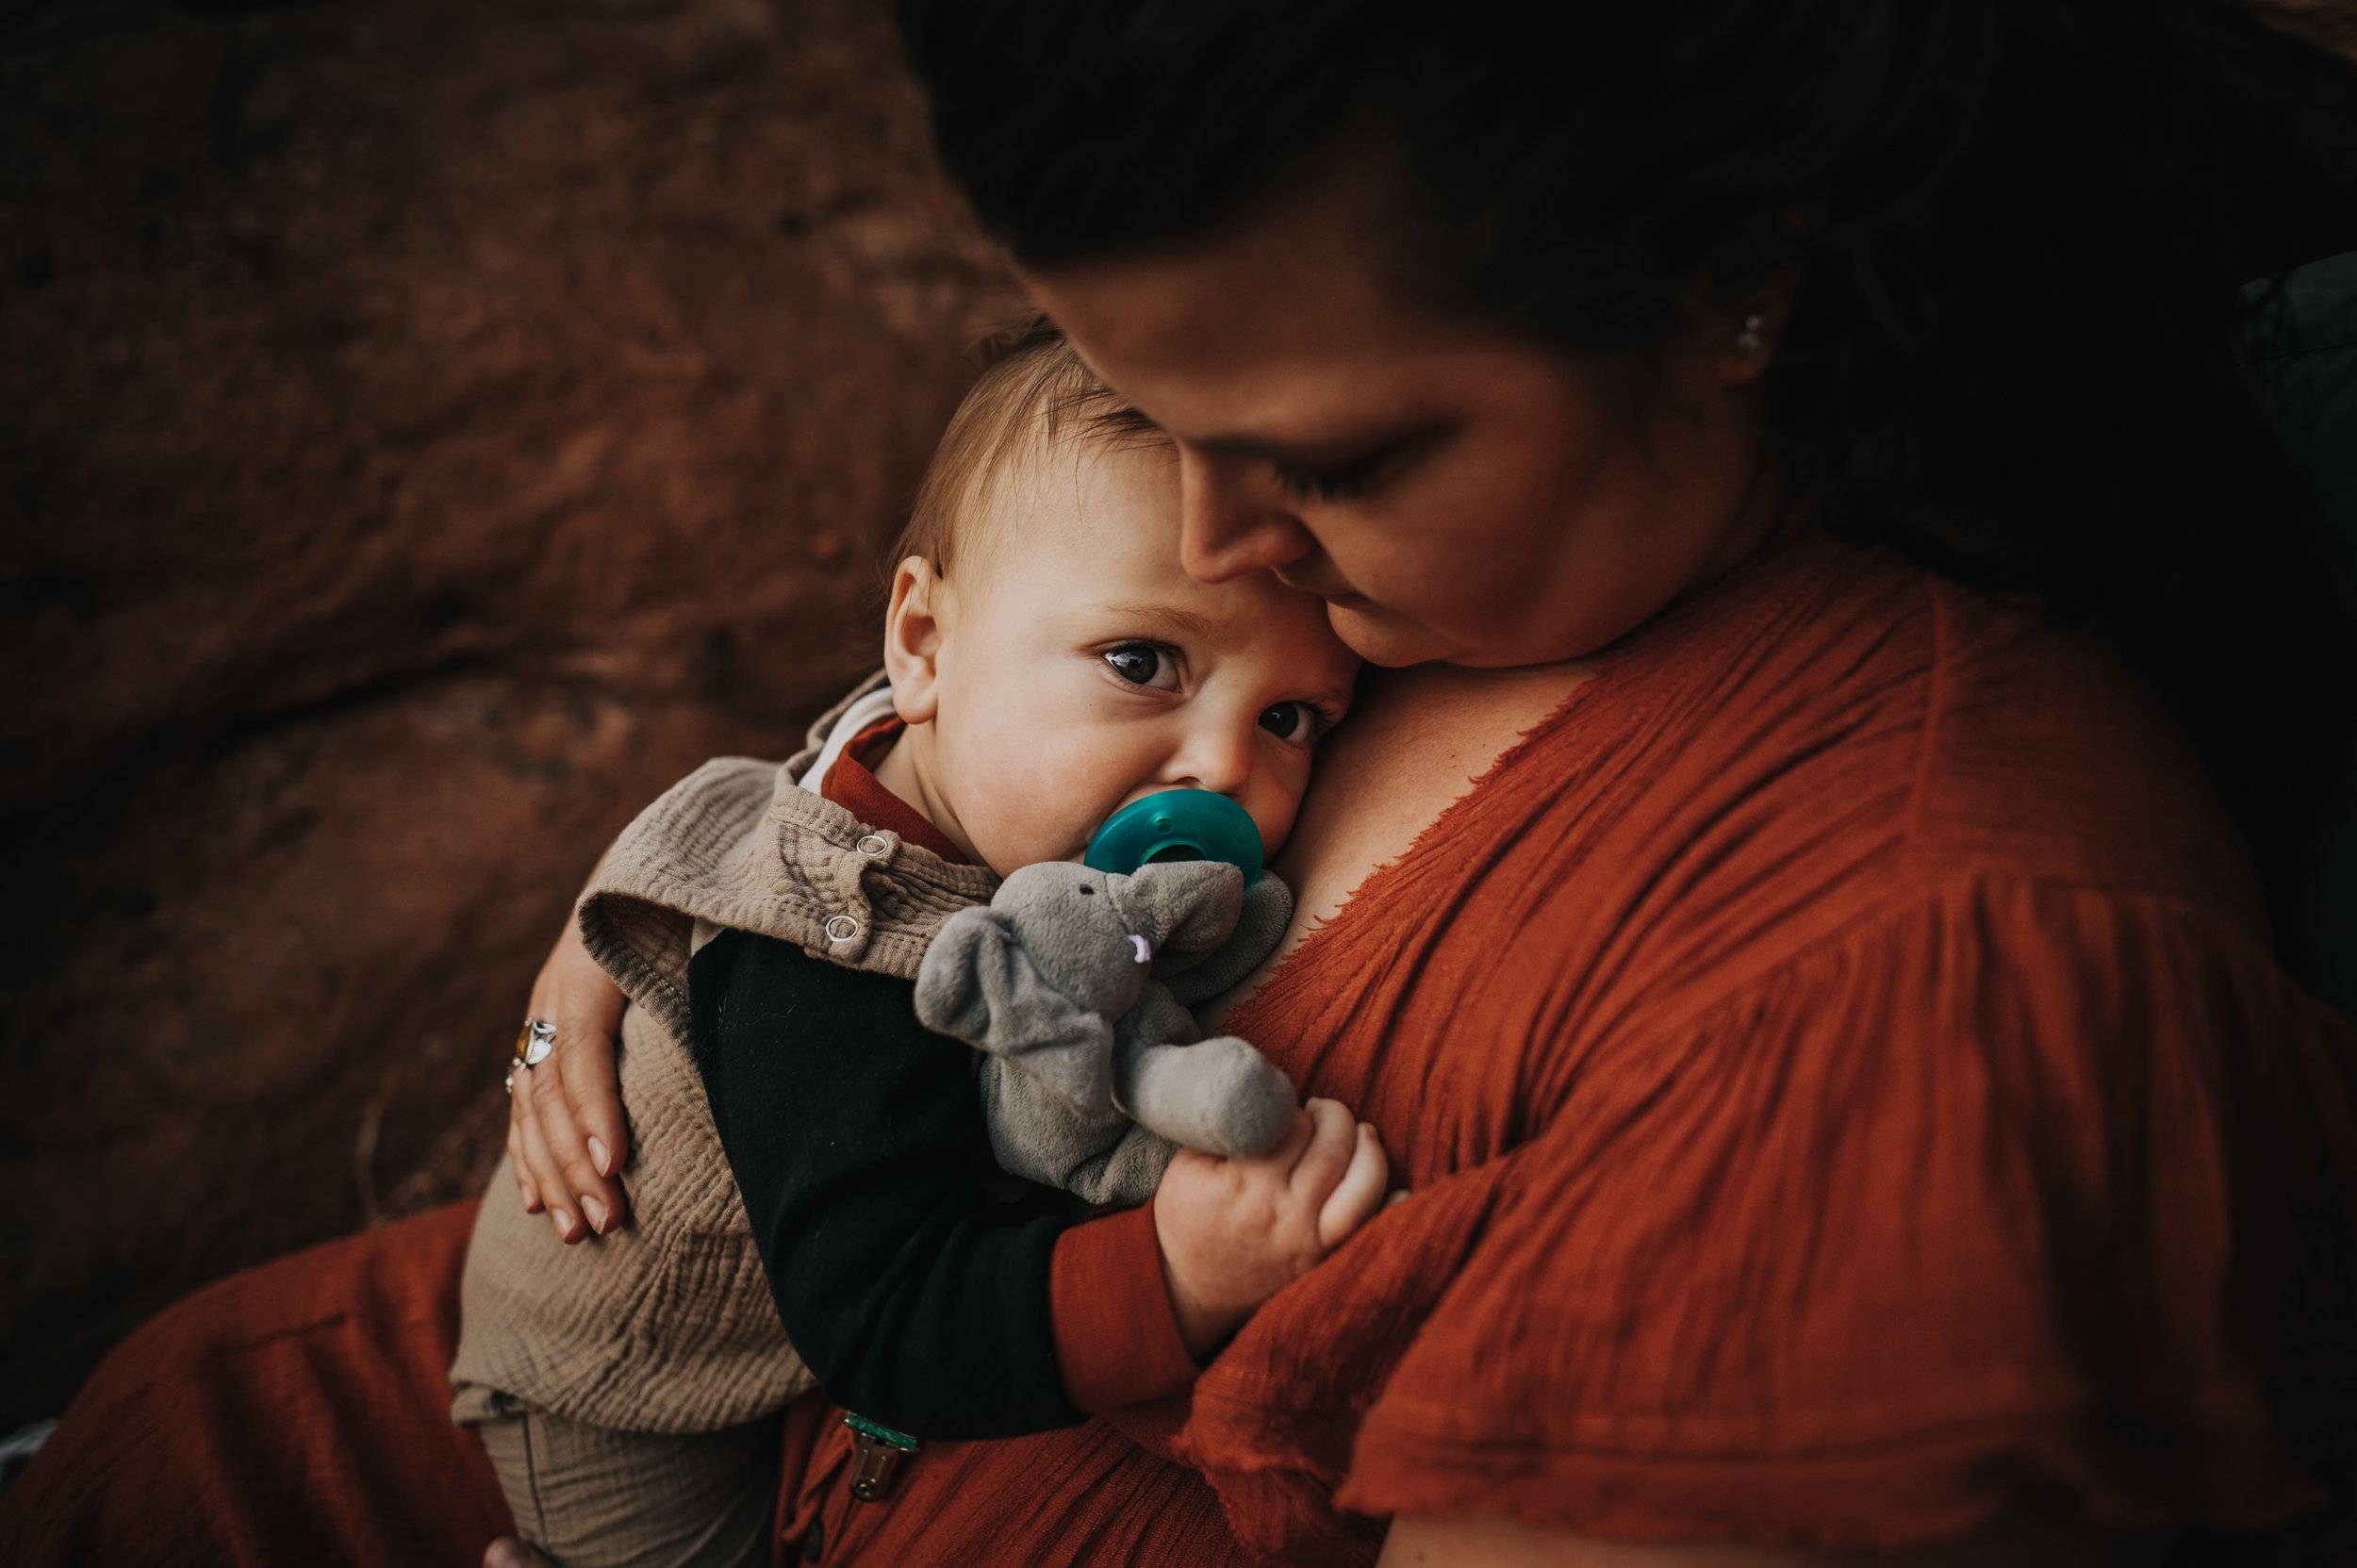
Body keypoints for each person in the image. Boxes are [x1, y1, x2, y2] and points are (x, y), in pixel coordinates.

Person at [4, 3, 2353, 1565]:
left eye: (1329, 452)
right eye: (1154, 411)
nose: (1226, 551)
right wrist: (679, 901)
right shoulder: (1460, 577)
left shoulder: (1923, 976)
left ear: (1732, 290)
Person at [449, 321, 1379, 1568]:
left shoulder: (918, 743)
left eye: (1291, 716)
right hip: (617, 1379)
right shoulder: (821, 964)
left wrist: (562, 989)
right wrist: (1172, 1278)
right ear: (924, 642)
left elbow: (653, 865)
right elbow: (883, 1314)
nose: (1223, 769)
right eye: (1142, 660)